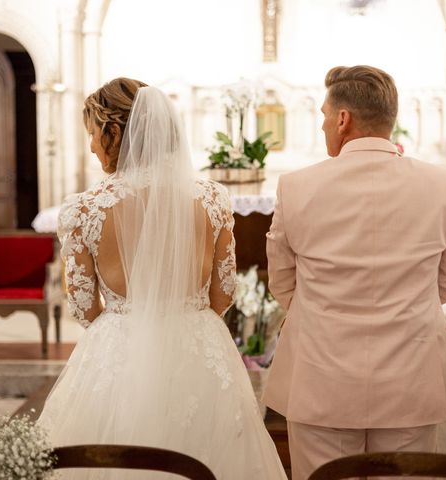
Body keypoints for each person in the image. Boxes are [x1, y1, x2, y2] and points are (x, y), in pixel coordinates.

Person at [37, 78, 287, 479]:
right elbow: (224, 294)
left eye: (92, 134)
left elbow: (84, 308)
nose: (90, 146)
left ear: (114, 132)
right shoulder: (212, 198)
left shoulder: (83, 209)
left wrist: (126, 325)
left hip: (118, 346)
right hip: (201, 345)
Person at [264, 65, 446, 480]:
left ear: (343, 119)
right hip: (412, 373)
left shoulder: (296, 186)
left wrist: (322, 311)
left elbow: (283, 282)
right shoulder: (445, 185)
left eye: (324, 115)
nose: (323, 124)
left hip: (321, 374)